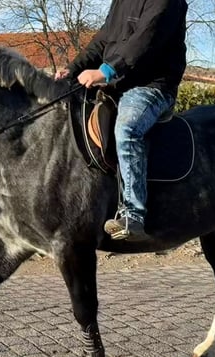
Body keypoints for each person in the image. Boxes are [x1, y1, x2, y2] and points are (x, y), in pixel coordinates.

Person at [56, 0, 188, 241]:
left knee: (127, 129)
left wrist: (107, 70)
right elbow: (103, 40)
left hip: (152, 86)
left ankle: (133, 215)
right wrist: (74, 69)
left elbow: (146, 39)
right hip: (118, 84)